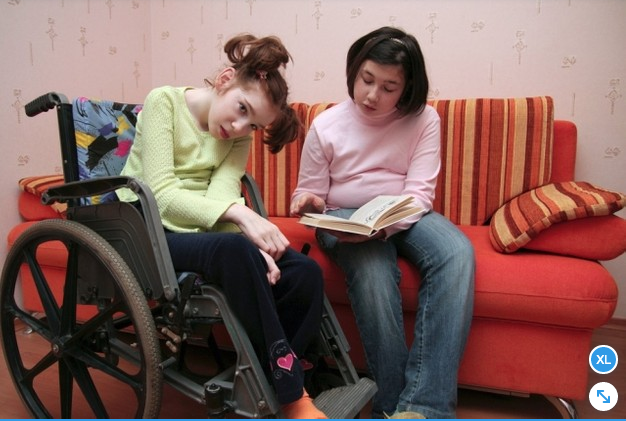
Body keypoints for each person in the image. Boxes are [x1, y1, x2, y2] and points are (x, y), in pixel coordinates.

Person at [117, 34, 327, 419]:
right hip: (147, 231)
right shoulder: (164, 101)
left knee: (303, 271)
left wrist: (255, 246)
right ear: (225, 79)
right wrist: (244, 219)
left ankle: (281, 373)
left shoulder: (237, 136)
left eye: (253, 124)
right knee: (238, 247)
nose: (240, 125)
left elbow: (221, 197)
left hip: (202, 232)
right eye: (241, 108)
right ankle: (291, 394)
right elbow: (161, 194)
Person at [290, 26, 475, 419]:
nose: (372, 95)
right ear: (354, 72)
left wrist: (383, 226)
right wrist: (307, 202)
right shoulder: (326, 124)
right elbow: (308, 193)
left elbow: (420, 195)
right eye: (366, 80)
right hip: (344, 216)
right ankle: (391, 406)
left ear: (407, 90)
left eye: (388, 87)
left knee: (457, 252)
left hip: (404, 212)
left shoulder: (425, 120)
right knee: (373, 269)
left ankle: (425, 408)